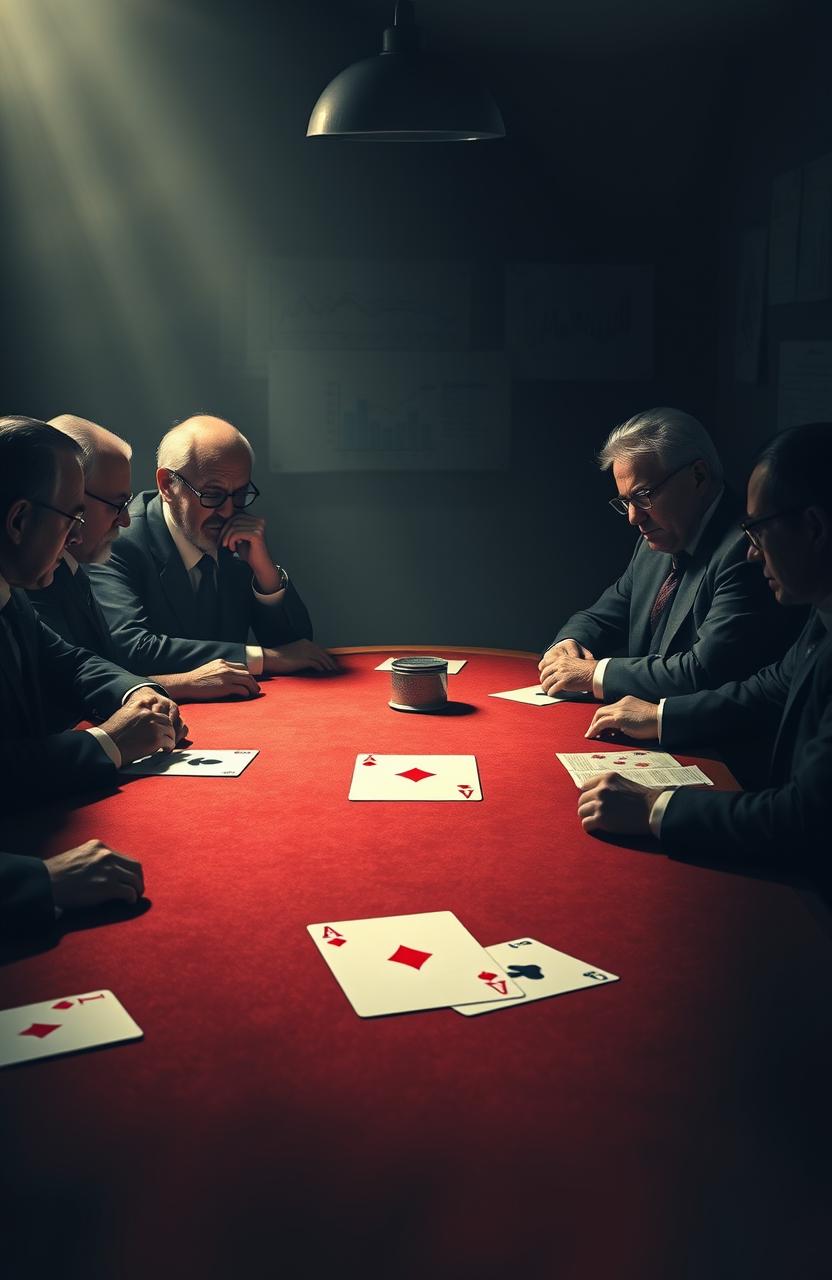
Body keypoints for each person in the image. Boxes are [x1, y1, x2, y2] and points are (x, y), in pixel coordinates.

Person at [576, 421, 832, 888]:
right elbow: (770, 687)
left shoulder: (738, 556)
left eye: (759, 529)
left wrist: (656, 807)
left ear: (813, 527)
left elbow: (803, 818)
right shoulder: (823, 616)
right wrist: (660, 715)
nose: (754, 553)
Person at [0, 416, 186, 932]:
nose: (76, 536)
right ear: (18, 521)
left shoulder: (10, 594)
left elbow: (71, 661)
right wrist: (42, 880)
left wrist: (138, 693)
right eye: (71, 518)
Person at [539, 408, 801, 702]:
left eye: (643, 496)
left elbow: (703, 672)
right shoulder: (658, 539)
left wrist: (594, 674)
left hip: (711, 743)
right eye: (626, 502)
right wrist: (570, 643)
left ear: (698, 476)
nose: (634, 518)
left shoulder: (746, 550)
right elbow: (603, 616)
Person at [27, 415, 261, 721]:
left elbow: (82, 666)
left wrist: (144, 692)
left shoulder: (67, 570)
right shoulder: (39, 578)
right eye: (115, 504)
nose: (124, 520)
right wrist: (111, 742)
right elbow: (56, 699)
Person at [89, 414, 337, 678]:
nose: (229, 510)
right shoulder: (119, 541)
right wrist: (262, 659)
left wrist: (265, 573)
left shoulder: (239, 537)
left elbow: (297, 647)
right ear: (167, 485)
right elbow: (133, 649)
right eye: (212, 494)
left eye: (240, 494)